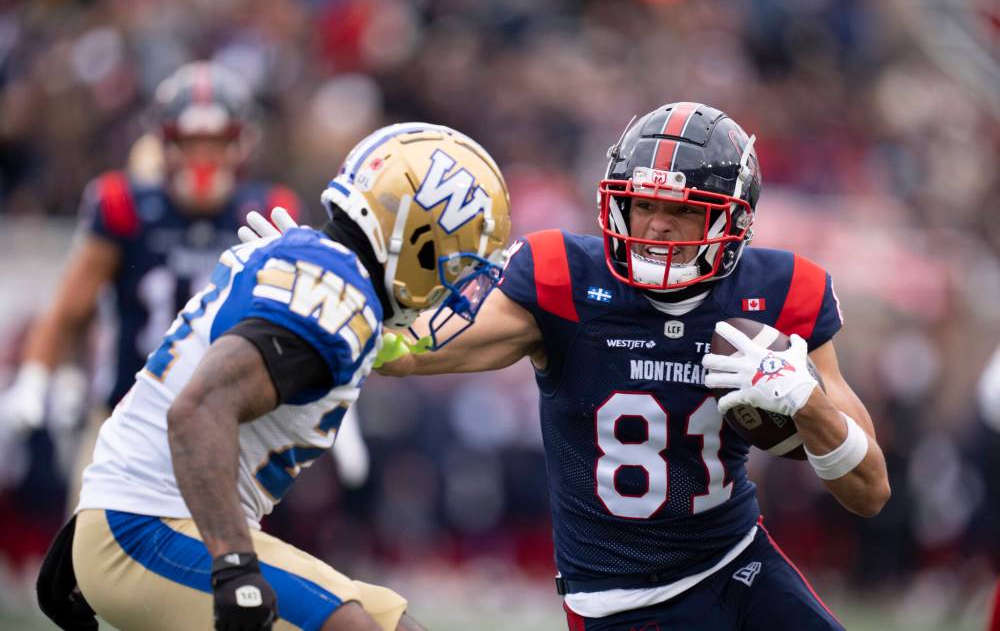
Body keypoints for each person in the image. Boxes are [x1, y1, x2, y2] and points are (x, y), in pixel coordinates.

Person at [371, 103, 889, 630]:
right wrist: (348, 301)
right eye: (642, 204)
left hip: (738, 562)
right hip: (620, 602)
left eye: (683, 210)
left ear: (733, 220)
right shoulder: (566, 279)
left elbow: (870, 491)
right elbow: (409, 351)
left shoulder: (778, 293)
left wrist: (805, 401)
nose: (658, 225)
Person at [35, 122, 512, 630]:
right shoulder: (334, 295)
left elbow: (169, 386)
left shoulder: (324, 275)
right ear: (418, 242)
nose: (457, 288)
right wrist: (234, 567)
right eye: (457, 266)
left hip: (150, 516)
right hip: (152, 525)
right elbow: (196, 410)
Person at [0, 61, 304, 500]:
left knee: (216, 541)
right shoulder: (126, 206)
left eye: (217, 142)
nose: (204, 157)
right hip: (124, 418)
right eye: (191, 142)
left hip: (224, 425)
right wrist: (36, 377)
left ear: (241, 142)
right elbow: (70, 308)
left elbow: (296, 319)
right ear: (165, 142)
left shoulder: (266, 210)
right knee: (88, 533)